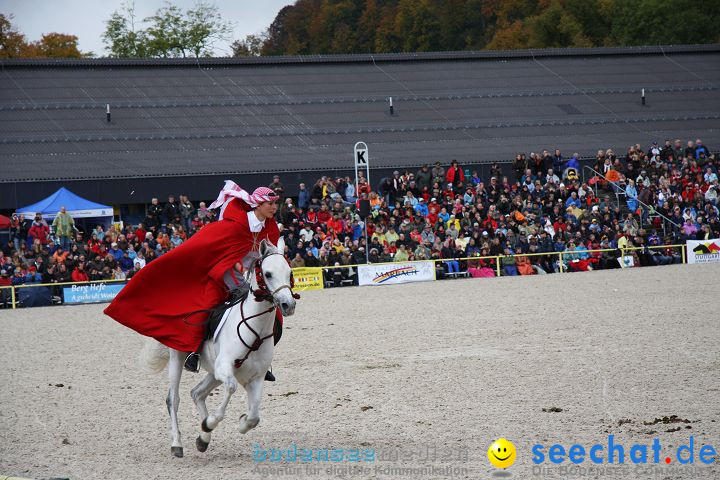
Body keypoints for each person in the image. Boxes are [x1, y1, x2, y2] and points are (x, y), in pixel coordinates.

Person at [104, 182, 282, 380]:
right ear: (258, 204)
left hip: (248, 277)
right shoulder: (235, 226)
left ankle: (262, 362)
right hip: (222, 274)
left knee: (271, 312)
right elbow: (225, 257)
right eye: (270, 203)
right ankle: (193, 352)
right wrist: (241, 273)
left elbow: (267, 259)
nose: (274, 207)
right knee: (206, 307)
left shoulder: (270, 230)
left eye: (275, 203)